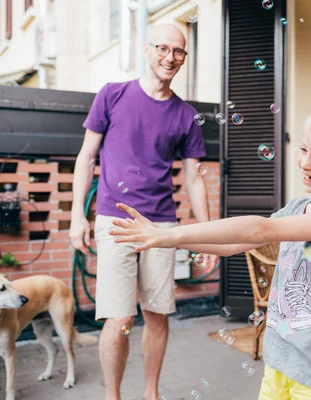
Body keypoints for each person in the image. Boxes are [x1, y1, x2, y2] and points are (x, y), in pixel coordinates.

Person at [108, 101, 311, 399]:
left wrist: (169, 234)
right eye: (304, 150)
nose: (305, 162)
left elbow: (259, 230)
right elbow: (231, 245)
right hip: (279, 359)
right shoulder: (298, 208)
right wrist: (165, 238)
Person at [69, 24, 218, 400]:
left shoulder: (185, 115)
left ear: (185, 57)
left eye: (179, 51)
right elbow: (86, 157)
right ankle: (113, 396)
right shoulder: (112, 95)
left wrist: (209, 234)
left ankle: (151, 394)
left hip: (161, 224)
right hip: (114, 220)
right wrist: (76, 216)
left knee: (157, 314)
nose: (171, 57)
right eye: (163, 49)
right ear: (148, 50)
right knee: (119, 317)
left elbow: (194, 179)